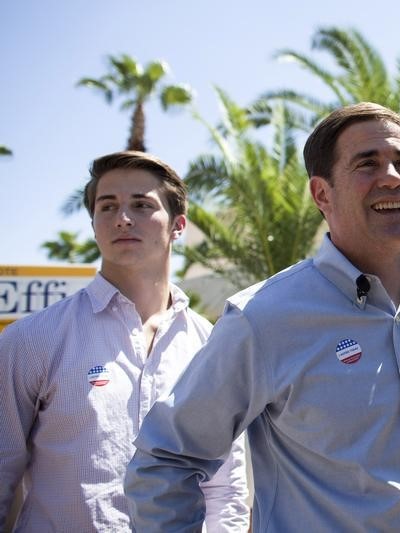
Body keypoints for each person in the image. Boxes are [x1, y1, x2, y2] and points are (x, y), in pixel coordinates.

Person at [124, 102, 400, 531]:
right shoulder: (263, 319)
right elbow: (164, 460)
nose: (392, 177)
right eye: (367, 164)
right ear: (322, 194)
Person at [0, 151, 249, 530]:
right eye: (108, 206)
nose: (123, 218)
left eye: (141, 205)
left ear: (178, 225)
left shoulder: (211, 346)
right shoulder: (31, 341)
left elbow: (226, 486)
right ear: (94, 223)